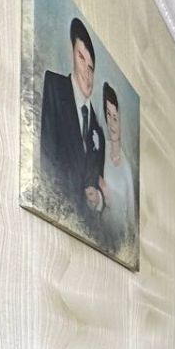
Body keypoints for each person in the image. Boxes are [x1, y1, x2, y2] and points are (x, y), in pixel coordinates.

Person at [40, 18, 105, 217]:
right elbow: (47, 158)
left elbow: (97, 181)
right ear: (72, 53)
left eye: (91, 67)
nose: (86, 72)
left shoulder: (98, 131)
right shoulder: (54, 87)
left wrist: (98, 200)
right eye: (81, 57)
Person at [98, 82, 136, 245]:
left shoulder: (126, 168)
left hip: (119, 242)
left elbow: (131, 219)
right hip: (100, 234)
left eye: (115, 117)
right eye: (108, 115)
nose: (112, 123)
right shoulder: (100, 148)